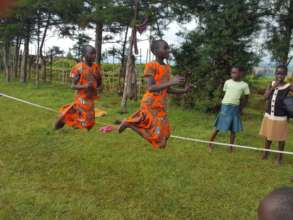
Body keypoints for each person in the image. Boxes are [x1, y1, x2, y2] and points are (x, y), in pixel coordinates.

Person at [118, 39, 191, 149]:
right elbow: (151, 87)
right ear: (155, 51)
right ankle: (130, 124)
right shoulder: (151, 65)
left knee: (165, 137)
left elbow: (168, 89)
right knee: (159, 142)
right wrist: (172, 81)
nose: (168, 50)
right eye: (165, 48)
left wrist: (184, 90)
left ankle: (130, 123)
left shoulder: (167, 68)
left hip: (161, 106)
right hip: (151, 104)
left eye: (168, 48)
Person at [55, 45, 102, 130]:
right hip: (81, 98)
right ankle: (65, 118)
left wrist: (98, 78)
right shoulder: (78, 68)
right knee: (85, 122)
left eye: (95, 53)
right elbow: (72, 86)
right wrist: (85, 86)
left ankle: (70, 116)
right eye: (91, 53)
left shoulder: (96, 67)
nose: (94, 56)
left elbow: (99, 83)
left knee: (90, 124)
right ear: (84, 54)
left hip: (91, 98)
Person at [208, 66, 250, 152]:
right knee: (217, 127)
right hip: (225, 107)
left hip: (235, 108)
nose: (232, 74)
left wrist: (241, 107)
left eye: (235, 72)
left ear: (241, 73)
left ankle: (230, 147)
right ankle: (209, 144)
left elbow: (246, 97)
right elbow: (225, 93)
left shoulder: (244, 85)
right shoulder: (227, 82)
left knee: (233, 129)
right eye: (232, 72)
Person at [260, 65, 292, 164]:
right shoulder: (271, 84)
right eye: (278, 73)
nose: (280, 75)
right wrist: (274, 86)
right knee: (268, 135)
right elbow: (265, 97)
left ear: (286, 74)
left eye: (282, 73)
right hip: (269, 115)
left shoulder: (288, 86)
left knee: (280, 138)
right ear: (275, 74)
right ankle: (266, 153)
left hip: (281, 116)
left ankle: (279, 158)